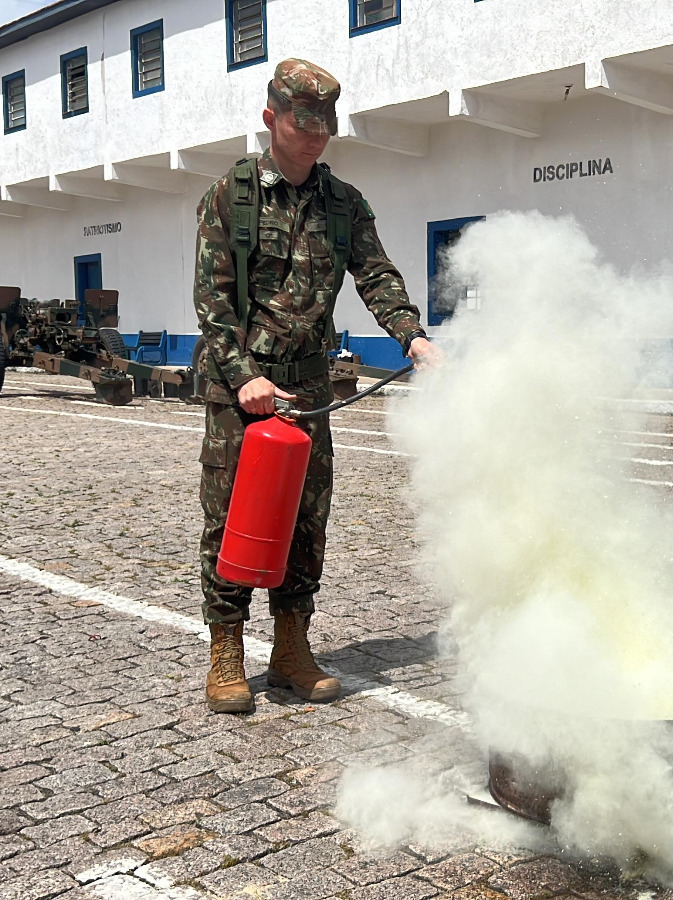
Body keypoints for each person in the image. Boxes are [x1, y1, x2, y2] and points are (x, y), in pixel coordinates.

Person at [193, 58, 440, 714]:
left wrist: (411, 336)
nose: (314, 138)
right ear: (271, 118)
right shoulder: (232, 196)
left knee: (307, 523)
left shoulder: (344, 204)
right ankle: (225, 653)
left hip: (309, 392)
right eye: (302, 125)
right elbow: (212, 300)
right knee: (232, 521)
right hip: (239, 393)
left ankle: (290, 649)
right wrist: (243, 376)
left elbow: (375, 273)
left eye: (324, 127)